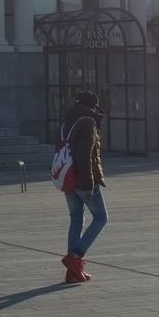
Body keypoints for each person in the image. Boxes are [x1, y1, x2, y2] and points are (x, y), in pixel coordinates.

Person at [60, 90, 108, 284]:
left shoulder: (66, 122)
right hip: (83, 179)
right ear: (92, 107)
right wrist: (88, 184)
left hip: (68, 178)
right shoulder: (88, 122)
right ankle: (76, 257)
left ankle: (73, 272)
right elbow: (84, 155)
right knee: (101, 218)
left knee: (76, 219)